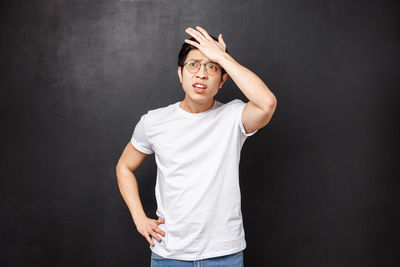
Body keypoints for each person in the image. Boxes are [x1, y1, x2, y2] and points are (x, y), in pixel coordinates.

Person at [115, 26, 277, 266]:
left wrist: (221, 57)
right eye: (193, 65)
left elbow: (267, 103)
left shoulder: (233, 116)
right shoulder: (154, 122)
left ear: (223, 80)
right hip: (169, 255)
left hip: (224, 255)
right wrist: (139, 218)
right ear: (180, 74)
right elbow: (124, 167)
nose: (201, 74)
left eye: (211, 67)